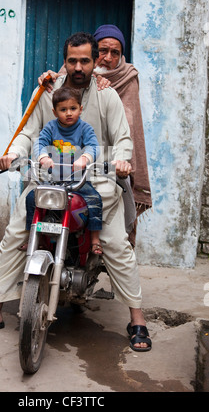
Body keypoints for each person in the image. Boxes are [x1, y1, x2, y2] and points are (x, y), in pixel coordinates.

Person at [0, 31, 151, 352]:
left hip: (95, 180)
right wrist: (14, 153)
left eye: (85, 60)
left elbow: (122, 138)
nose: (78, 67)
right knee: (14, 233)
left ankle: (137, 318)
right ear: (64, 61)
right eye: (72, 60)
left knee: (116, 244)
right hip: (50, 179)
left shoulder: (107, 96)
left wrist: (121, 159)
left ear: (94, 63)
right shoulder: (48, 92)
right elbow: (28, 132)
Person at [39, 24, 152, 247]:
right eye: (102, 51)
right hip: (60, 169)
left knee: (117, 246)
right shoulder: (56, 84)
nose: (107, 58)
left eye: (115, 53)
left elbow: (127, 132)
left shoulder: (122, 82)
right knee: (23, 224)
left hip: (101, 169)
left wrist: (120, 160)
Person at [25, 86, 103, 255]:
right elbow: (39, 143)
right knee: (32, 198)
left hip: (79, 181)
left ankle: (95, 240)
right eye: (63, 109)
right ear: (55, 112)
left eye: (73, 108)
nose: (69, 113)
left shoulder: (85, 129)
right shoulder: (51, 128)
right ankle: (31, 237)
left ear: (80, 109)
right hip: (55, 180)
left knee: (95, 200)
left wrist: (85, 158)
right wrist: (43, 157)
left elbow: (93, 146)